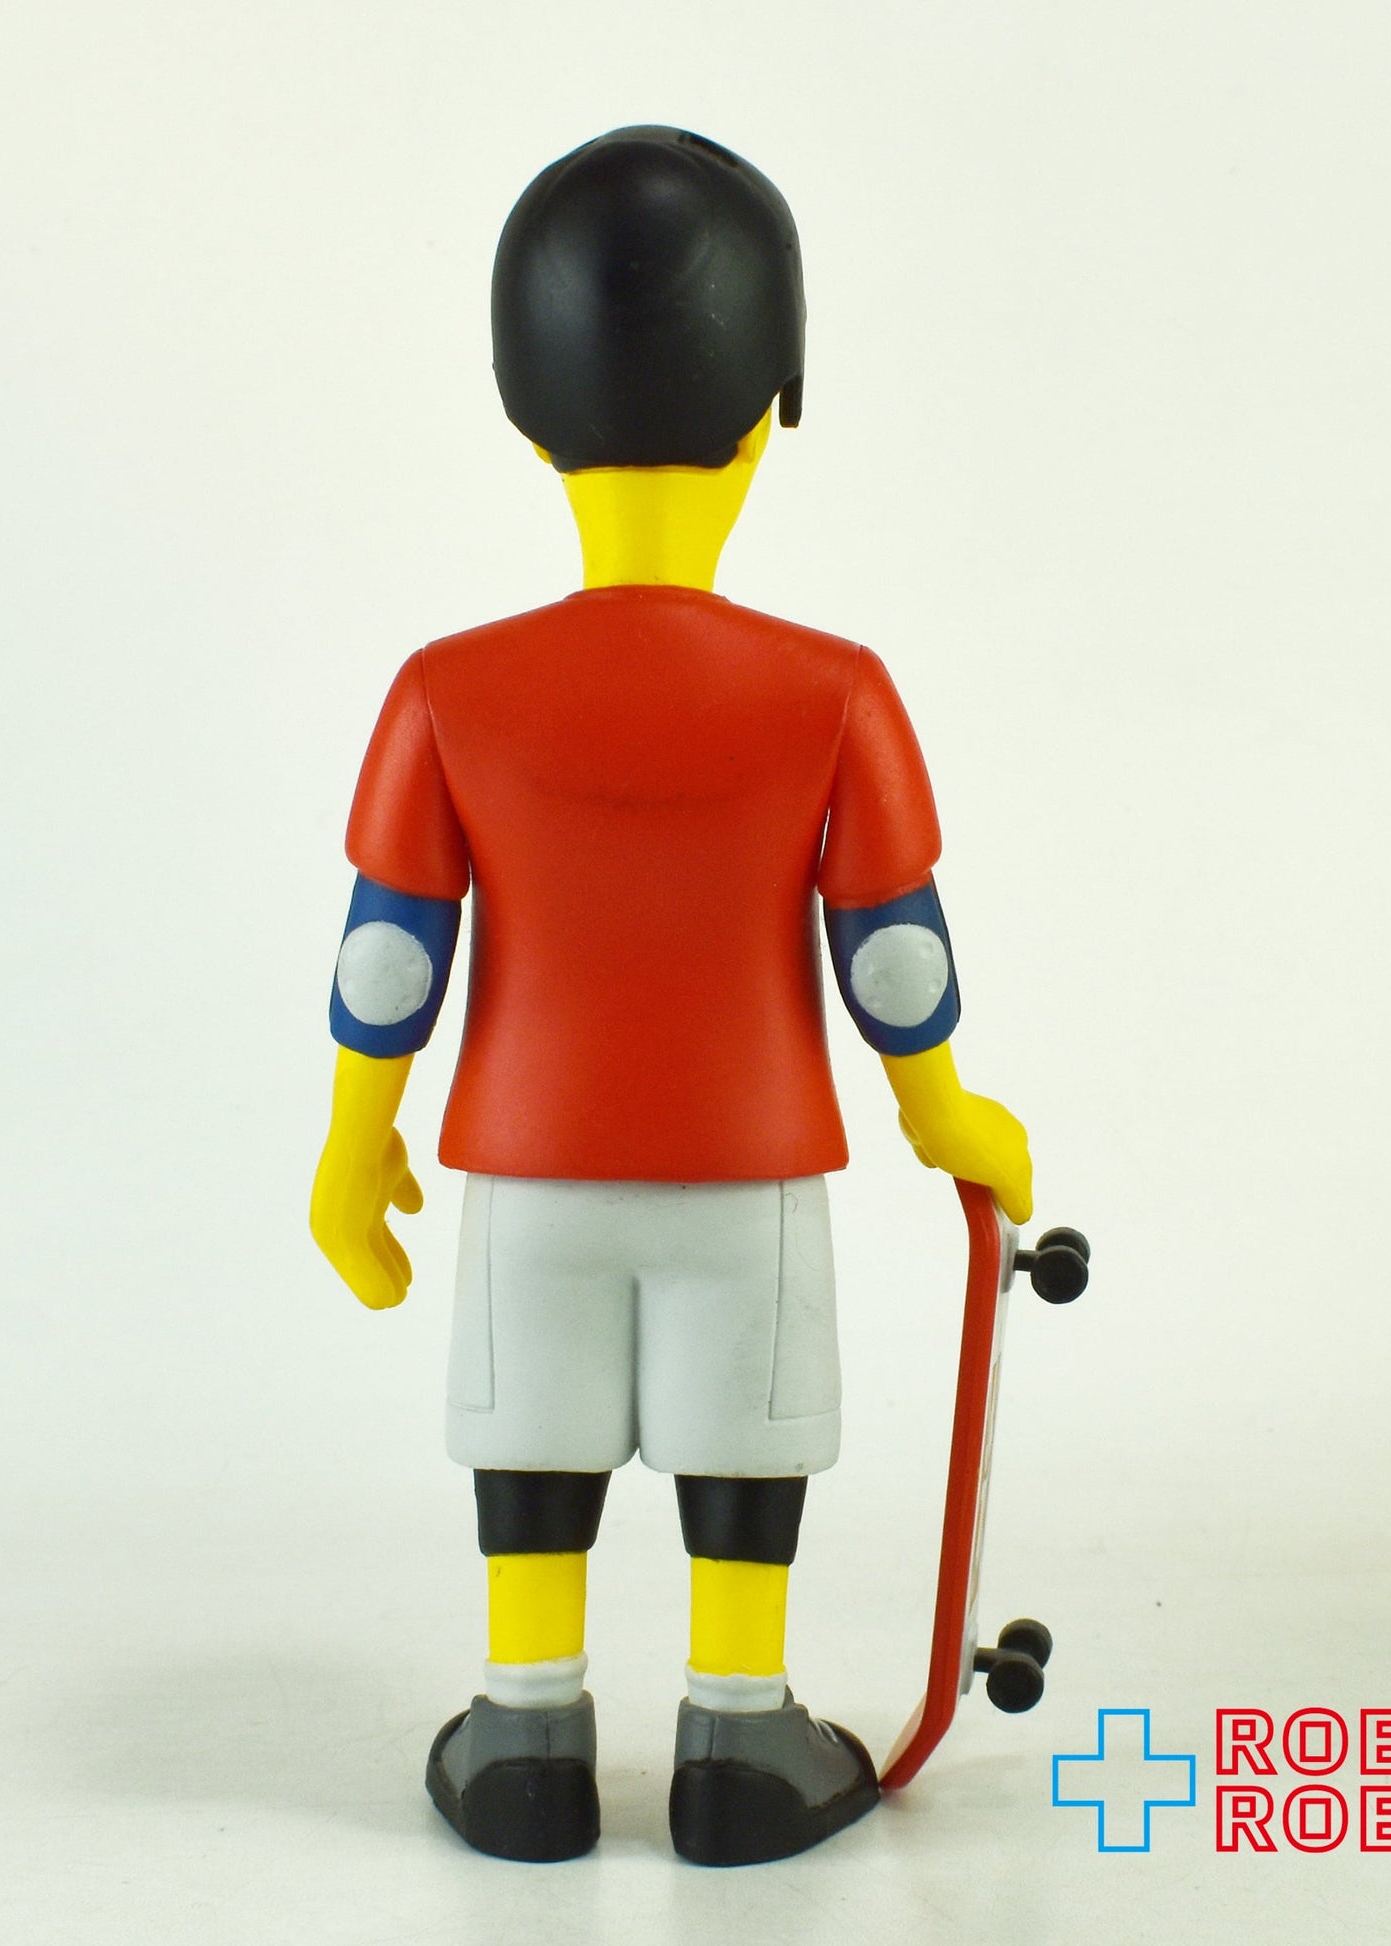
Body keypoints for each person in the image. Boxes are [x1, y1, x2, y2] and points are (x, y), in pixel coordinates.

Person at [309, 126, 1032, 1867]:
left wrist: (350, 1146)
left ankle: (524, 1734)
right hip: (748, 1171)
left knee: (533, 1456)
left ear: (522, 408)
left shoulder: (447, 688)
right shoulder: (832, 691)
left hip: (526, 1176)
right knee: (740, 1459)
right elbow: (894, 953)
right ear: (774, 402)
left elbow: (388, 955)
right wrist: (945, 1111)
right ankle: (737, 1740)